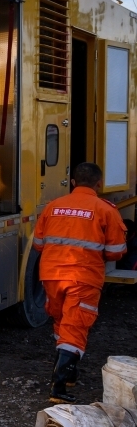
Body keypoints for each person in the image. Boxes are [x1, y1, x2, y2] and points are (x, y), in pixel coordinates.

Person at [32, 162, 127, 403]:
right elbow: (116, 251)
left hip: (51, 275)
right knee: (75, 327)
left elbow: (39, 244)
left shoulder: (53, 206)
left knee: (62, 321)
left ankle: (69, 372)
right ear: (99, 184)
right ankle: (59, 388)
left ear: (73, 183)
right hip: (83, 277)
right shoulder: (106, 210)